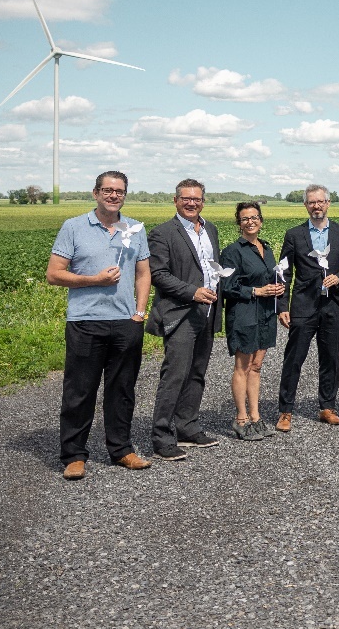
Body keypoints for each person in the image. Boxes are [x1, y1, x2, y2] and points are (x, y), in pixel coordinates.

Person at [47, 171, 152, 479]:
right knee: (79, 391)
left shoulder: (134, 228)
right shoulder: (74, 227)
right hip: (85, 322)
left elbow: (143, 273)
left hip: (125, 322)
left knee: (122, 390)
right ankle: (74, 456)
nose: (113, 195)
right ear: (95, 193)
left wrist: (140, 313)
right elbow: (54, 274)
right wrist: (94, 280)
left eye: (119, 191)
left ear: (124, 195)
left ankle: (121, 450)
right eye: (107, 190)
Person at [147, 178, 223, 460]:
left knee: (197, 372)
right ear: (176, 200)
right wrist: (193, 292)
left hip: (208, 312)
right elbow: (158, 274)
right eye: (186, 198)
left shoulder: (210, 229)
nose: (192, 203)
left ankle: (188, 426)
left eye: (197, 199)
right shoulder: (163, 233)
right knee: (175, 375)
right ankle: (162, 436)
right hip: (180, 312)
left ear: (204, 201)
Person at [275, 184, 339, 431]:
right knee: (294, 358)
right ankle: (285, 411)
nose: (316, 206)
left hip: (333, 305)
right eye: (311, 202)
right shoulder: (294, 234)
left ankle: (327, 407)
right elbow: (284, 272)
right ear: (306, 206)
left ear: (328, 203)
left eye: (320, 202)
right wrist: (282, 305)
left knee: (330, 357)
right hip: (303, 305)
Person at [219, 202, 284, 441]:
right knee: (243, 367)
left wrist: (277, 290)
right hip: (244, 314)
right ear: (239, 223)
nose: (250, 221)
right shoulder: (232, 251)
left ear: (261, 220)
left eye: (254, 217)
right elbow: (227, 286)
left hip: (266, 313)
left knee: (256, 367)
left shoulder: (266, 248)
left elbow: (275, 276)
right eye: (245, 218)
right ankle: (241, 419)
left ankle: (256, 417)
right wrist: (256, 291)